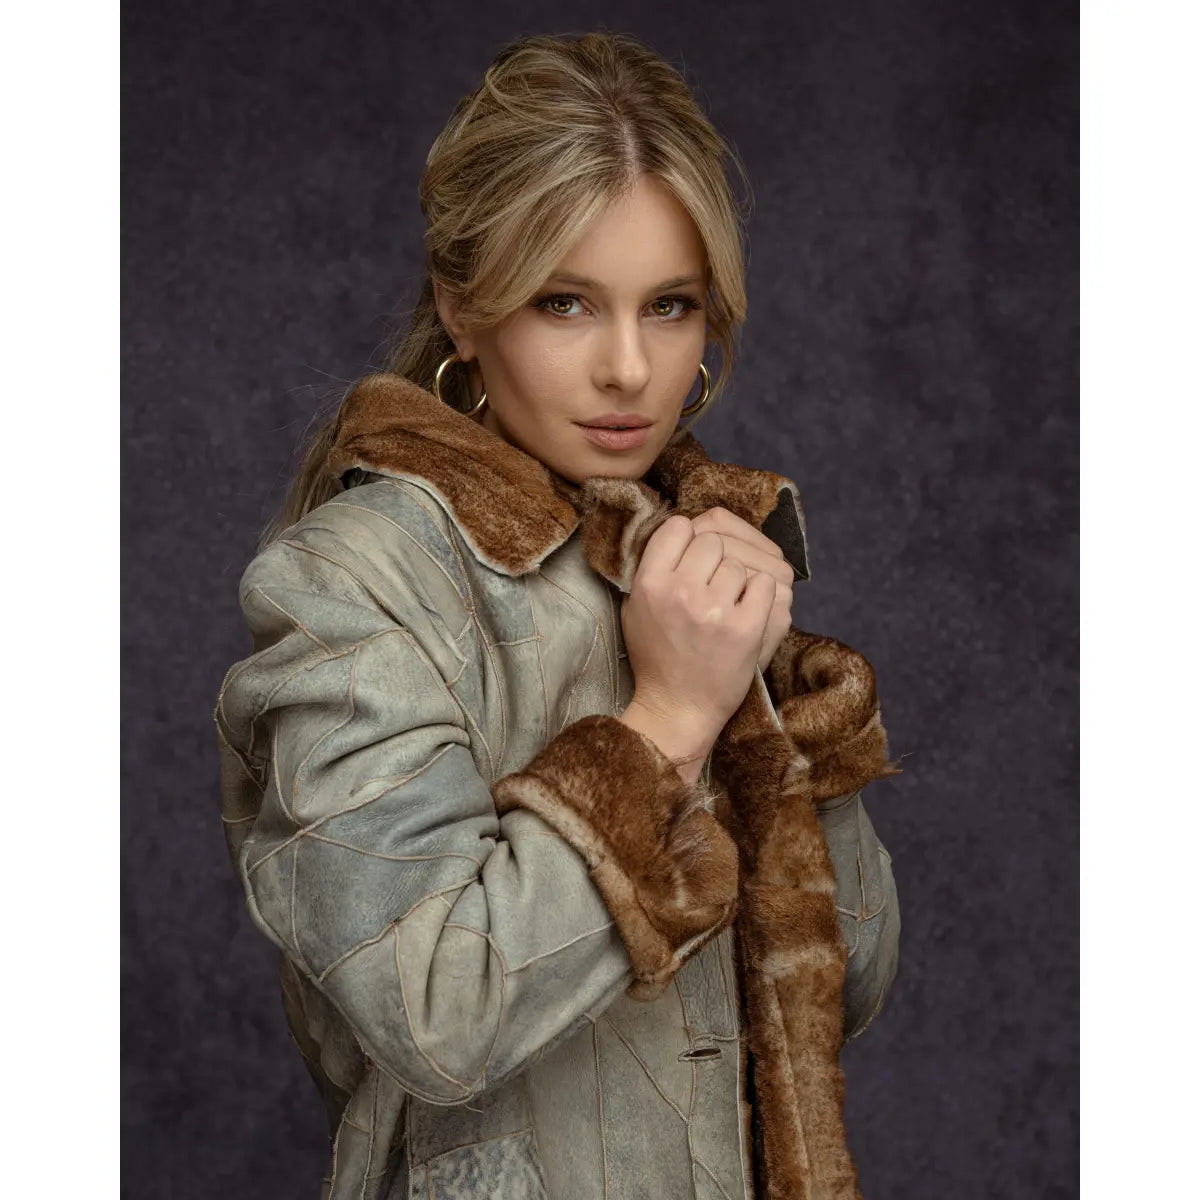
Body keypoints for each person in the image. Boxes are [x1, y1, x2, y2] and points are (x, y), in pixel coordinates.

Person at [215, 31, 900, 1200]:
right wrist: (673, 718)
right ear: (464, 307)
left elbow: (847, 986)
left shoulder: (686, 554)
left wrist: (767, 711)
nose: (631, 368)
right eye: (566, 302)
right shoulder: (354, 583)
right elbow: (435, 1015)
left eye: (671, 306)